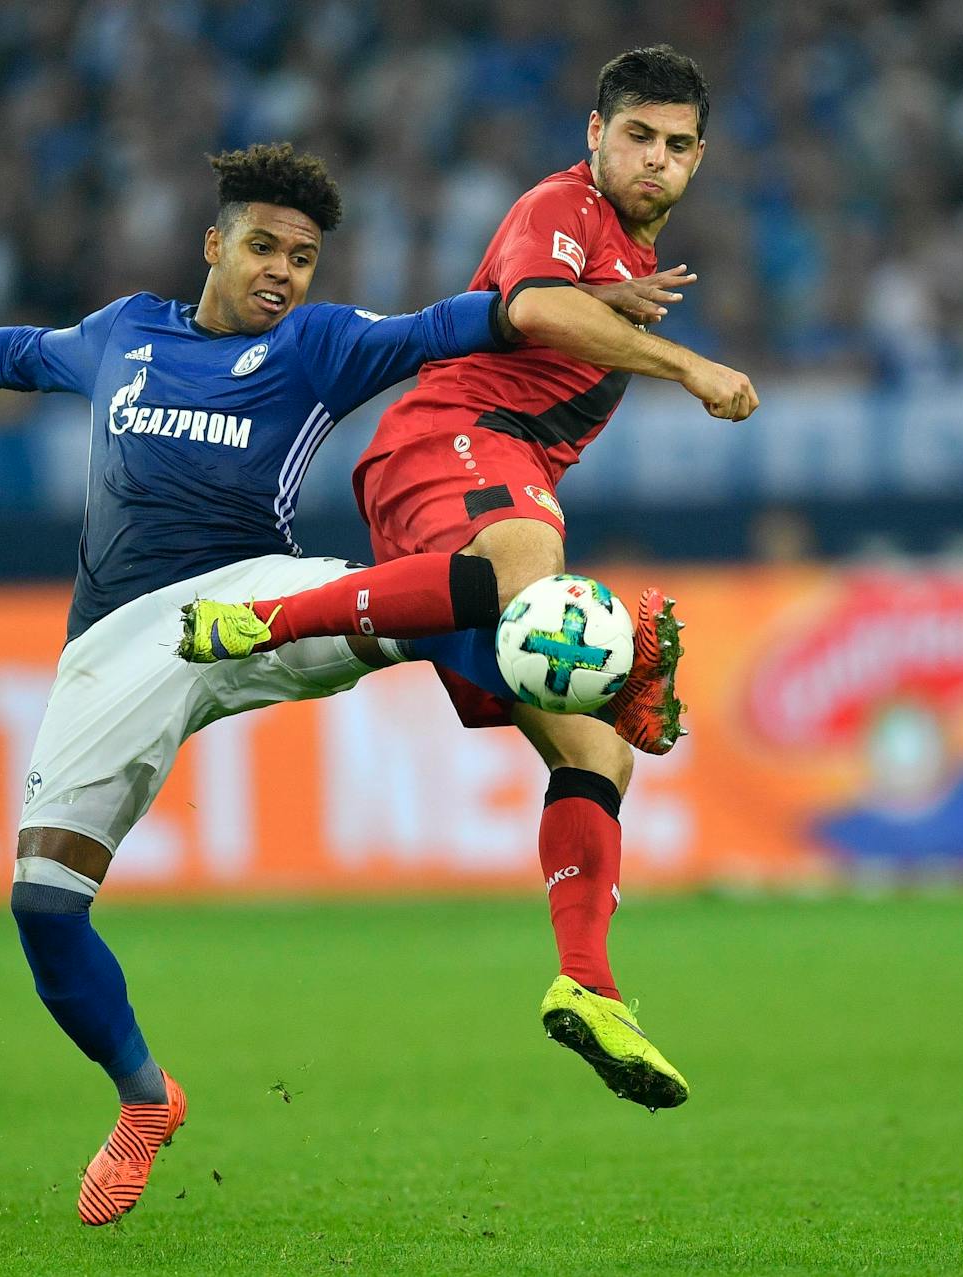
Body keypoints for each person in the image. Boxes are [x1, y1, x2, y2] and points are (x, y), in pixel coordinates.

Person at [0, 142, 677, 1225]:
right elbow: (23, 352)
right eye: (262, 247)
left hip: (256, 591)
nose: (281, 273)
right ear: (212, 245)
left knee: (456, 592)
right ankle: (145, 1097)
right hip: (115, 646)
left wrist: (589, 303)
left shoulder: (316, 344)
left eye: (301, 258)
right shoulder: (123, 334)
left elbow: (463, 321)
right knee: (41, 905)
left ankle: (592, 672)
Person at [183, 47, 761, 1114]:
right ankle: (261, 617)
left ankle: (587, 984)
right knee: (525, 566)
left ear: (699, 160)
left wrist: (624, 308)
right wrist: (689, 366)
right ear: (595, 134)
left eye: (678, 145)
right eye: (637, 135)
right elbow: (533, 308)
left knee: (598, 751)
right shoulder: (561, 203)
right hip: (449, 437)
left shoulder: (625, 253)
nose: (655, 159)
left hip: (489, 474)